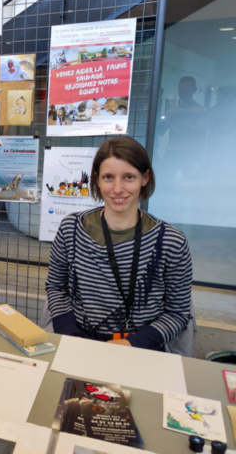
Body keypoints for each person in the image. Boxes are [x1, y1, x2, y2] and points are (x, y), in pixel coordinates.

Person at [44, 136, 194, 355]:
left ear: (145, 178)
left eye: (128, 177)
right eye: (108, 177)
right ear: (96, 179)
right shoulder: (71, 228)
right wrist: (70, 336)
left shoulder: (171, 242)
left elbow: (178, 312)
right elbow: (56, 288)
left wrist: (134, 344)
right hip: (78, 342)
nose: (117, 188)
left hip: (141, 348)